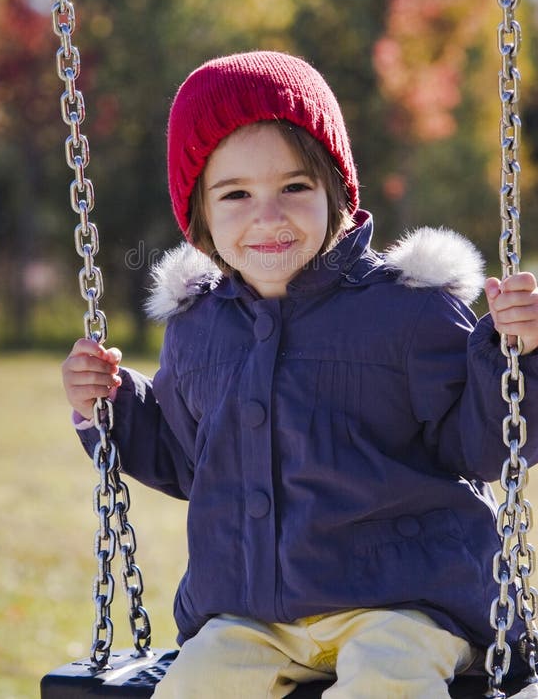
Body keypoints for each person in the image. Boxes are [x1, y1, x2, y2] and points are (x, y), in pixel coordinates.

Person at [63, 51, 538, 698]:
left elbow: (483, 444)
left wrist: (516, 358)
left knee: (386, 682)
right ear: (199, 216)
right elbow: (185, 457)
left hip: (407, 603)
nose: (269, 215)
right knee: (193, 684)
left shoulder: (408, 308)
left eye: (294, 187)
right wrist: (110, 407)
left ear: (336, 191)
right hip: (254, 615)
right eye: (235, 194)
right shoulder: (197, 326)